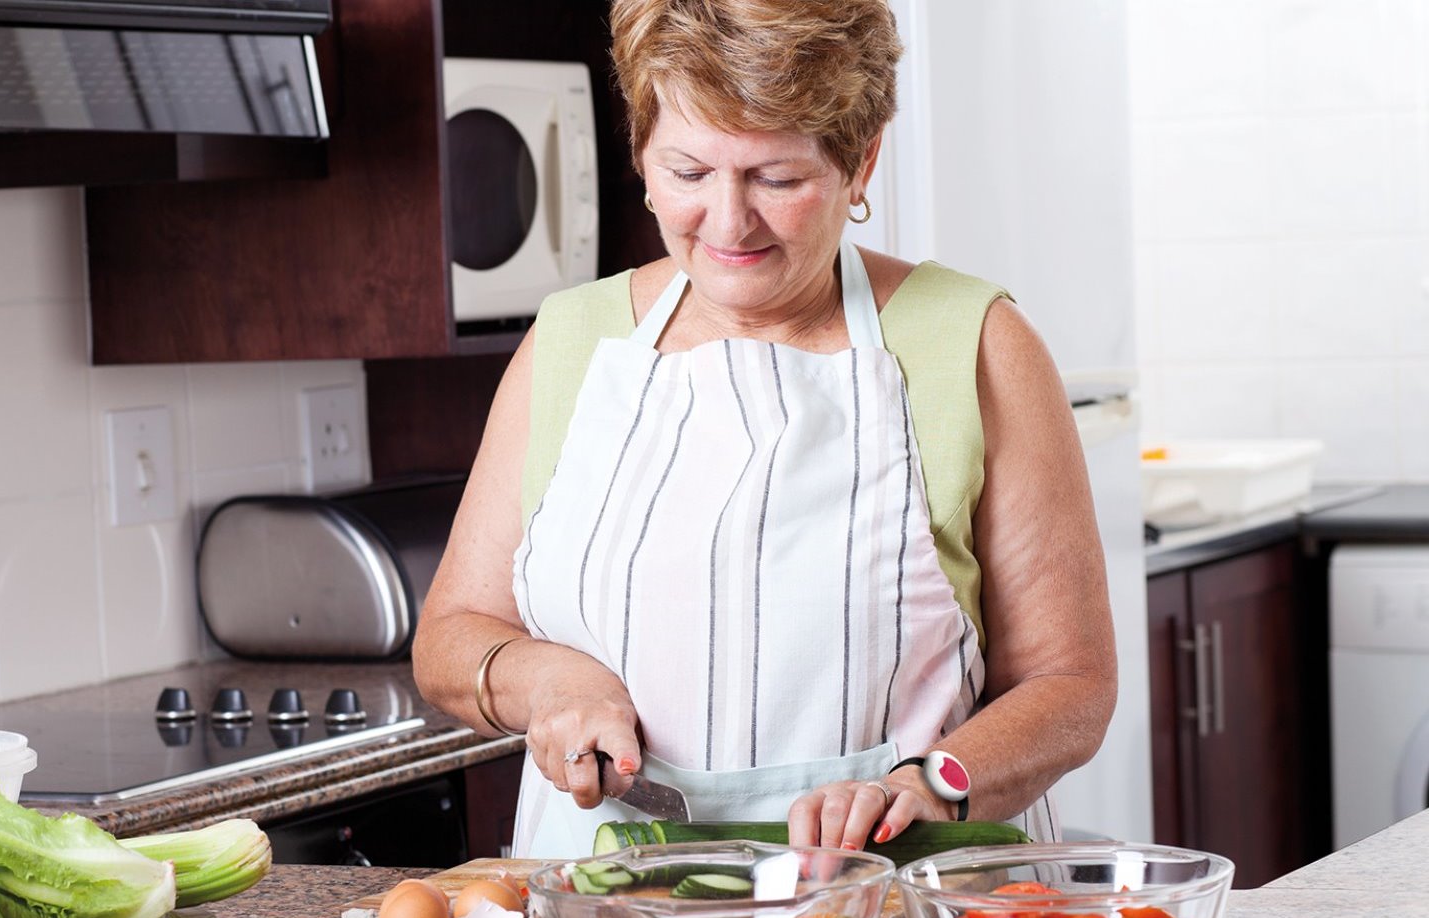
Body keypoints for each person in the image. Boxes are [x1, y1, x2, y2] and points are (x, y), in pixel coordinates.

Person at [414, 0, 1116, 860]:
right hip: (607, 916)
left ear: (862, 162)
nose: (727, 222)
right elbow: (454, 630)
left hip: (899, 906)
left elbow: (1071, 683)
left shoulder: (973, 344)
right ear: (640, 153)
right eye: (687, 172)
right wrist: (546, 679)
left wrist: (929, 784)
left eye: (776, 179)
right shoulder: (570, 343)